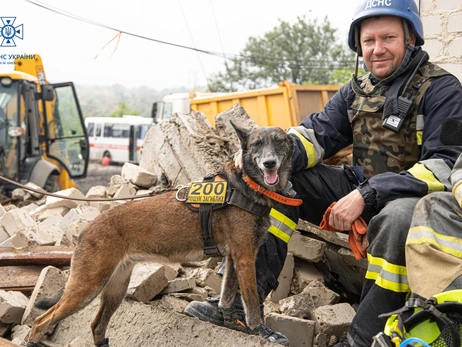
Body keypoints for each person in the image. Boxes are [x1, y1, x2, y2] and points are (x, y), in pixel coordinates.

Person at [185, 1, 462, 346]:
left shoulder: (444, 91)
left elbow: (445, 163)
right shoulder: (357, 90)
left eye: (388, 38)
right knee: (282, 184)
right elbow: (315, 135)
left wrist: (367, 194)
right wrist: (265, 158)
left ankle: (362, 338)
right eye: (368, 41)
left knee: (397, 219)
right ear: (358, 46)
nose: (377, 49)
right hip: (365, 189)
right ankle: (240, 307)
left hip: (416, 204)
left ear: (411, 39)